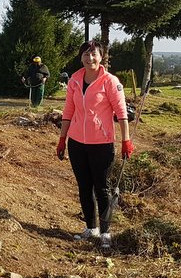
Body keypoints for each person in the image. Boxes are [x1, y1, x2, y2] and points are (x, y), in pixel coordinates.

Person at [55, 41, 135, 249]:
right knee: (84, 187)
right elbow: (68, 111)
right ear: (81, 57)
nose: (89, 58)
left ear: (101, 57)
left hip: (101, 143)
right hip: (77, 143)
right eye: (85, 54)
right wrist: (63, 139)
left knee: (101, 188)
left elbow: (121, 113)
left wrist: (126, 140)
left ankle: (106, 232)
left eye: (94, 54)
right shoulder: (74, 80)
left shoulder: (110, 81)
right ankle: (91, 228)